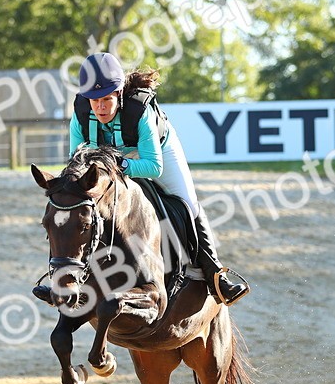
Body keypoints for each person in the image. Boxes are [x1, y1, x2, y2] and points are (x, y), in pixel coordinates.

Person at [33, 52, 250, 306]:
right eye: (94, 100)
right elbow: (77, 164)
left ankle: (215, 274)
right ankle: (66, 277)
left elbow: (153, 166)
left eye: (106, 99)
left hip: (156, 153)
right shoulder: (81, 113)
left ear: (119, 94)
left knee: (188, 203)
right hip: (109, 160)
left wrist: (120, 165)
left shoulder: (139, 111)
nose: (100, 107)